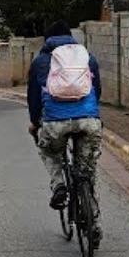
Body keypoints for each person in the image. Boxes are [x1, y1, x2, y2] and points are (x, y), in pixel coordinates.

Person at [27, 20, 103, 244]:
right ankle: (94, 225)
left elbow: (33, 97)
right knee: (88, 174)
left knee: (49, 152)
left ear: (47, 40)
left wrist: (34, 123)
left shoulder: (40, 61)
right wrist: (91, 114)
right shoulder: (87, 57)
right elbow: (97, 90)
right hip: (88, 120)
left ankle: (59, 184)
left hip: (55, 123)